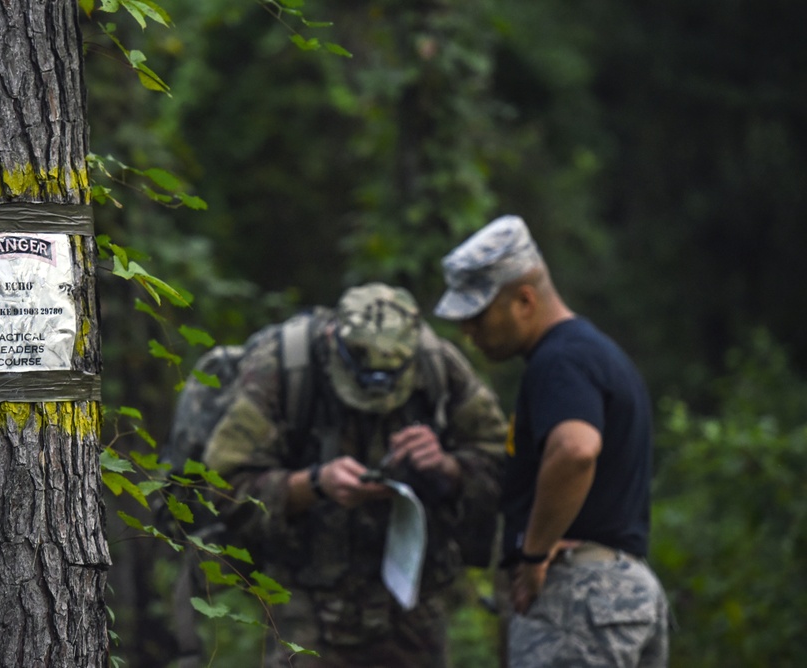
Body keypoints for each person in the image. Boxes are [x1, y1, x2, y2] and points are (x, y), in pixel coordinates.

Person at [202, 282, 508, 667]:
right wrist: (312, 485)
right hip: (308, 608)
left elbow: (501, 466)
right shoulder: (284, 370)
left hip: (414, 607)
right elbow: (224, 485)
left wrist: (447, 465)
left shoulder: (439, 368)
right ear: (333, 340)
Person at [434, 215, 670, 667]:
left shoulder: (560, 360)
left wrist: (535, 552)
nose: (469, 332)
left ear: (524, 300)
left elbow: (576, 449)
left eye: (478, 315)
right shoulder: (595, 353)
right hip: (624, 592)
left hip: (579, 600)